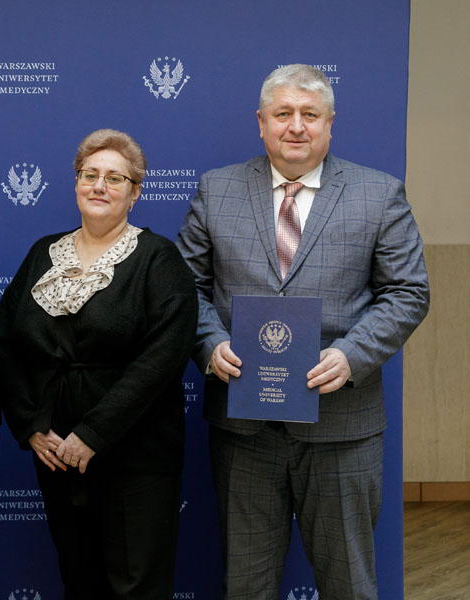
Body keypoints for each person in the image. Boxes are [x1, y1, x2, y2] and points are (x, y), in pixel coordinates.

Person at [176, 64, 430, 599]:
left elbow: (408, 293)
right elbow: (185, 288)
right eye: (283, 114)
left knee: (348, 584)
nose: (296, 126)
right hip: (244, 430)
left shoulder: (378, 194)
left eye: (309, 115)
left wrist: (352, 355)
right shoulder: (216, 190)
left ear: (330, 124)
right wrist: (208, 343)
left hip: (342, 429)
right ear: (261, 123)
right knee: (245, 585)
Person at [0, 129, 197, 599]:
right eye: (90, 175)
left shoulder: (158, 259)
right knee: (78, 578)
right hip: (56, 454)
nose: (99, 186)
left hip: (136, 455)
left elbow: (162, 358)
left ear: (135, 193)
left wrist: (94, 434)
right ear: (76, 182)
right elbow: (6, 343)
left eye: (115, 178)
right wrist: (31, 425)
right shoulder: (43, 254)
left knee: (135, 585)